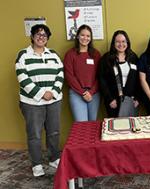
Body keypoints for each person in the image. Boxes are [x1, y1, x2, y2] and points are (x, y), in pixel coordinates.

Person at [15, 24, 64, 177]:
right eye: (38, 34)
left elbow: (60, 73)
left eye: (44, 35)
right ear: (32, 36)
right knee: (34, 134)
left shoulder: (53, 54)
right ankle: (36, 163)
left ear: (47, 38)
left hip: (54, 100)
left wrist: (53, 92)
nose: (41, 37)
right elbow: (22, 77)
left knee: (54, 132)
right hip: (32, 102)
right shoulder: (23, 54)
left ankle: (53, 157)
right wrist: (41, 93)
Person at [64, 24, 101, 122]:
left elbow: (99, 76)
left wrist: (91, 92)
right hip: (77, 94)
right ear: (77, 36)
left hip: (94, 94)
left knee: (93, 124)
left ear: (91, 38)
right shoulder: (70, 54)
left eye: (88, 36)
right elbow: (69, 76)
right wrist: (83, 92)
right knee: (81, 125)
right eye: (82, 35)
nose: (85, 38)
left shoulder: (96, 54)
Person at [99, 30, 139, 117]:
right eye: (118, 42)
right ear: (114, 43)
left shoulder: (133, 57)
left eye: (123, 41)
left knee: (131, 126)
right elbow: (102, 81)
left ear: (127, 42)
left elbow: (138, 80)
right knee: (115, 127)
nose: (121, 44)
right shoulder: (106, 59)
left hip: (130, 100)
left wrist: (137, 98)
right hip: (114, 101)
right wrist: (109, 99)